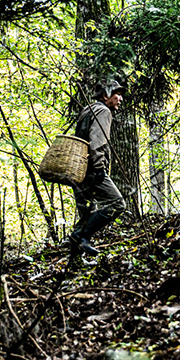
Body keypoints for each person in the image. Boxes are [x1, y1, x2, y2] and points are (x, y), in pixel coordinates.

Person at [69, 79, 127, 258]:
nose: (120, 99)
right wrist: (99, 168)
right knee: (117, 204)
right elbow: (97, 142)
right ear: (105, 95)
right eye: (117, 94)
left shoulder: (88, 110)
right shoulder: (103, 111)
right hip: (92, 169)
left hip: (78, 170)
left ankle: (74, 262)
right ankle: (81, 235)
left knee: (87, 213)